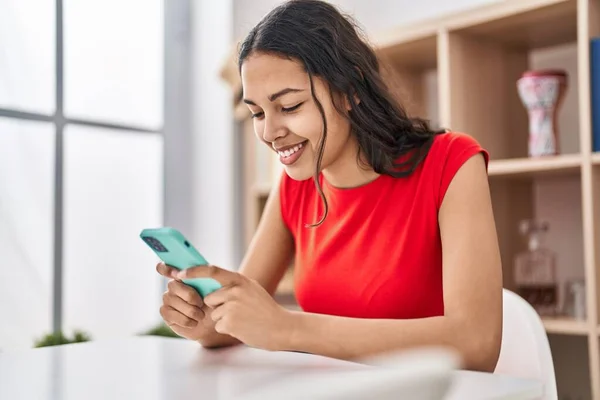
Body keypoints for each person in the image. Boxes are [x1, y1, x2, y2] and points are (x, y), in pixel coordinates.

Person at [156, 0, 503, 372]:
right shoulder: (295, 184)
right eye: (257, 112)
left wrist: (289, 328)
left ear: (349, 89)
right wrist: (207, 322)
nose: (269, 133)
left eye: (289, 106)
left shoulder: (451, 162)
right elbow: (248, 319)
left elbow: (477, 344)